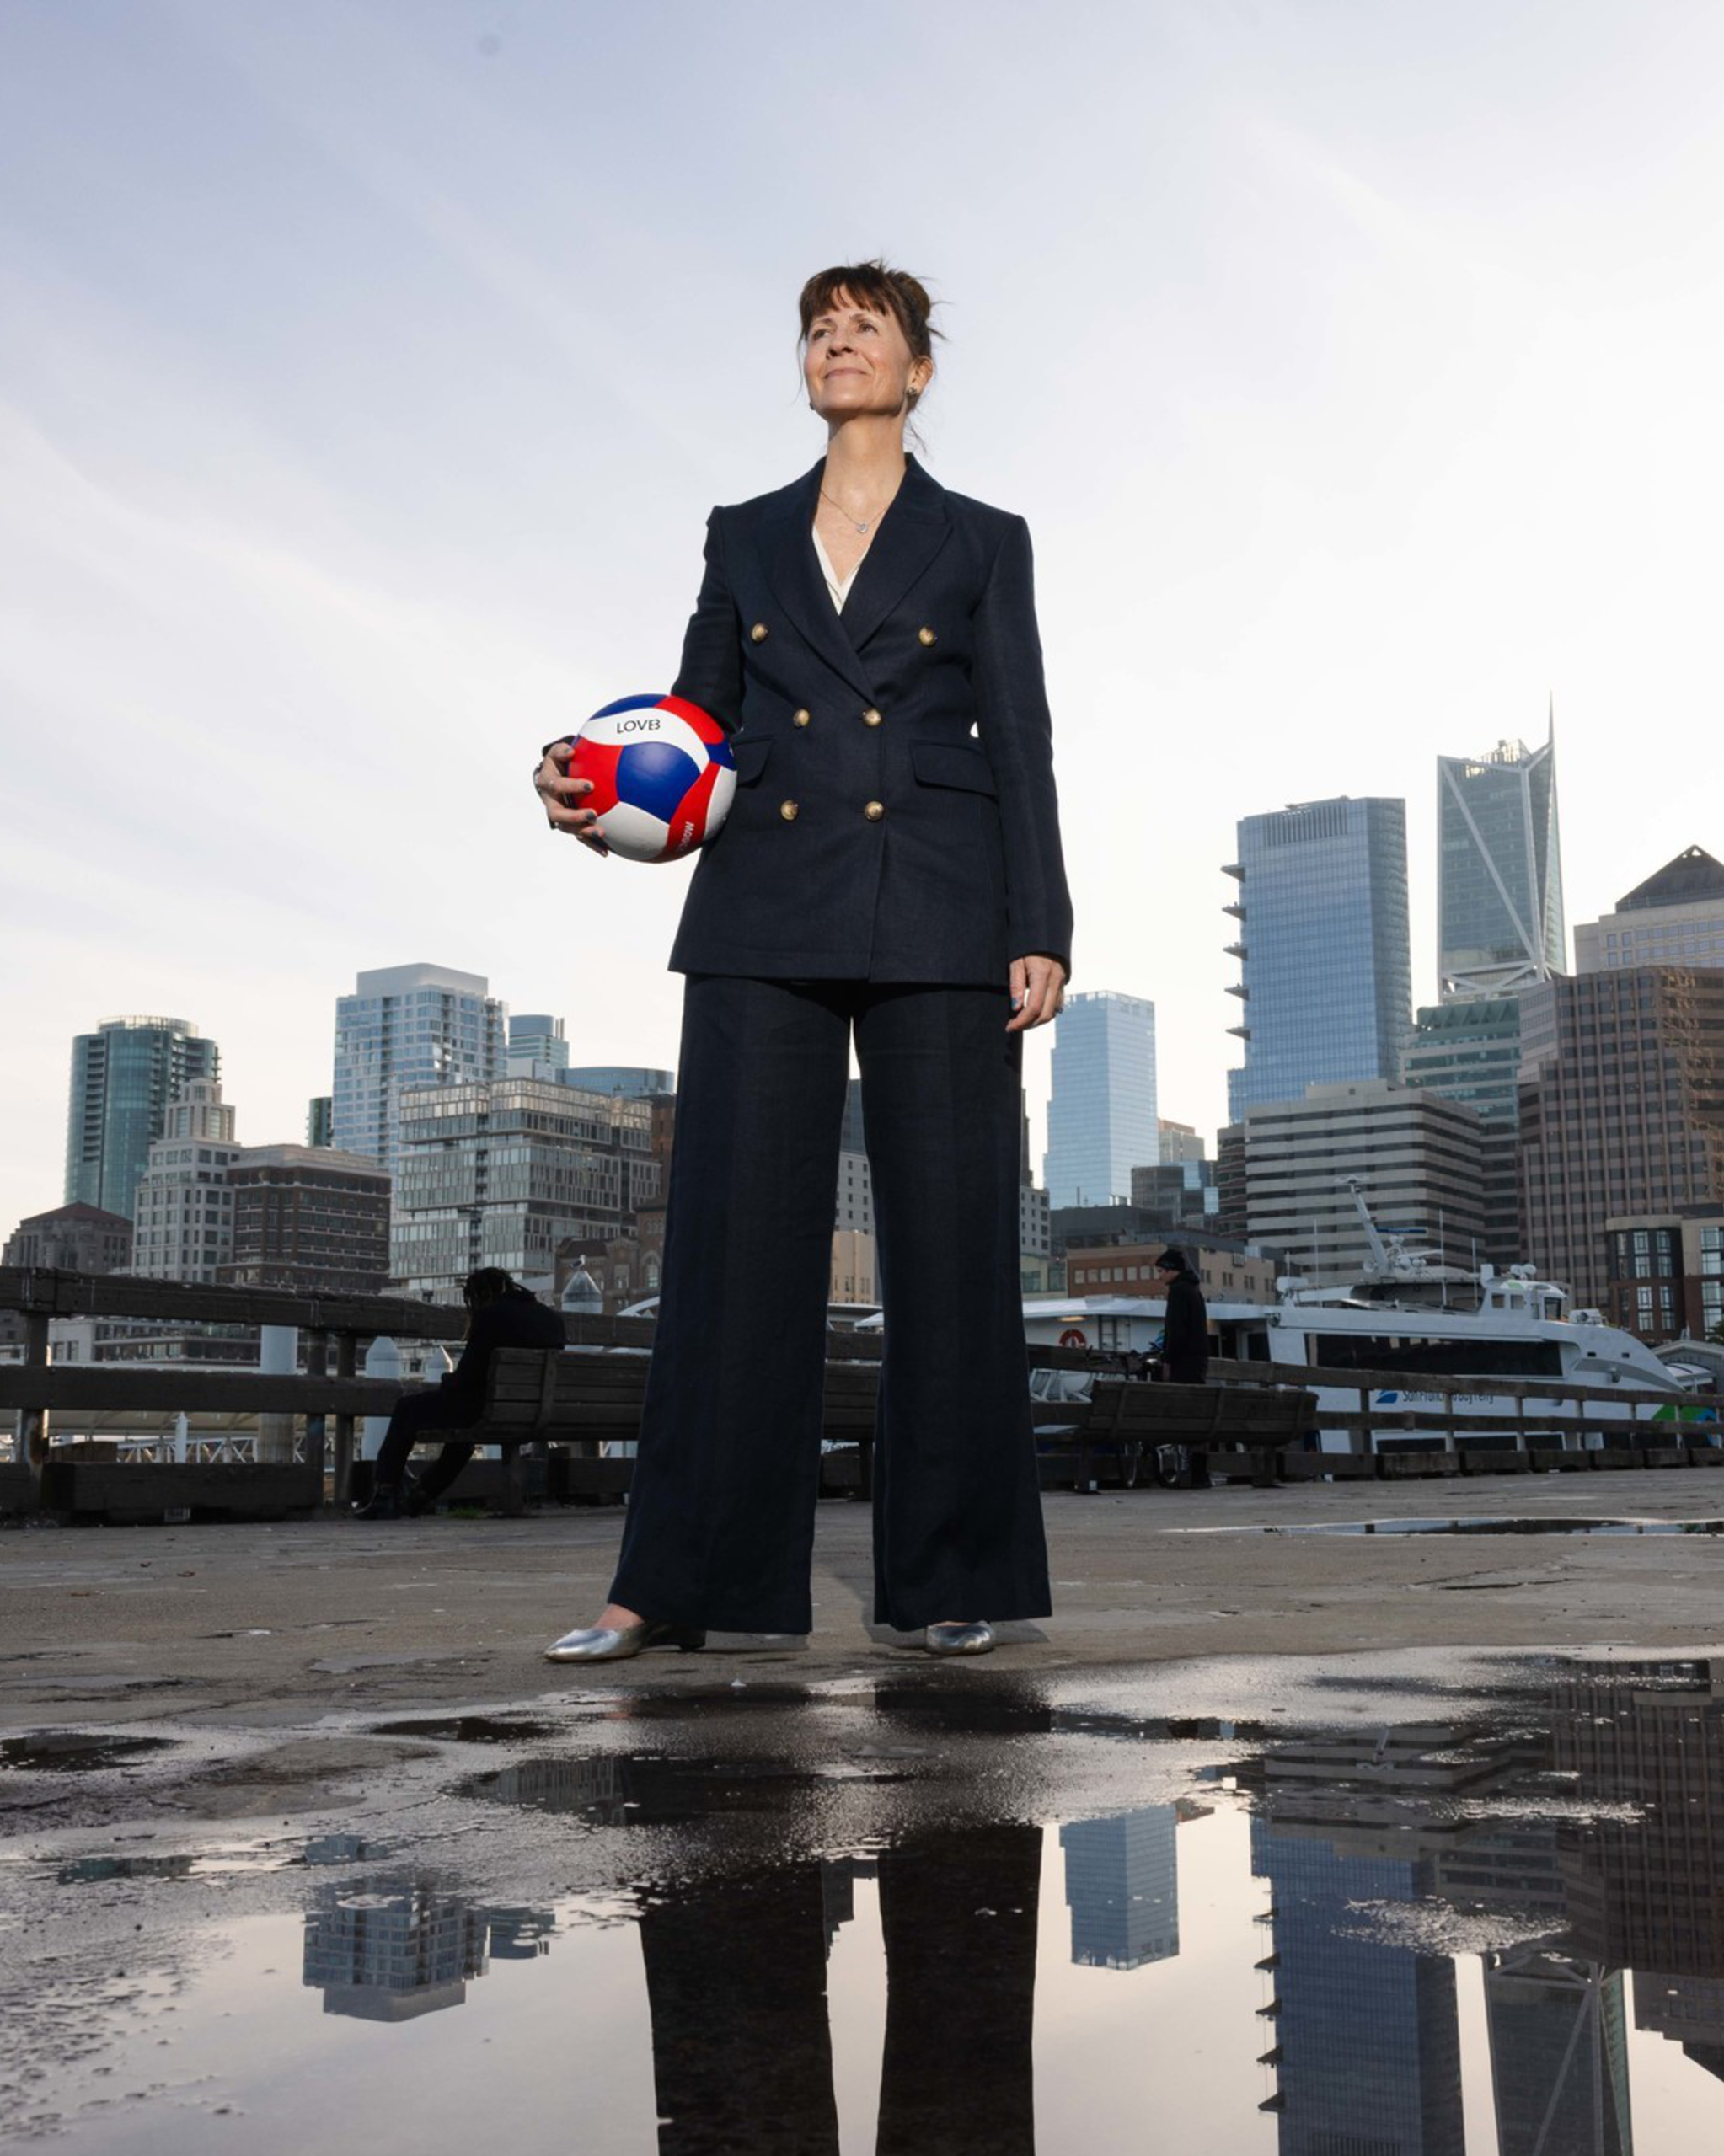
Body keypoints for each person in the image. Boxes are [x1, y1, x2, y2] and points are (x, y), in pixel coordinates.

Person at [534, 262, 1073, 1662]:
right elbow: (695, 722)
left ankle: (947, 1577)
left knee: (953, 1251)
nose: (838, 340)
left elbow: (1020, 735)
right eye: (818, 327)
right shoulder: (744, 531)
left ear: (918, 367)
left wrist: (1043, 922)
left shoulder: (983, 537)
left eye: (866, 325)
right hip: (764, 897)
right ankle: (668, 1586)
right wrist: (592, 787)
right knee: (725, 1250)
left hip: (947, 904)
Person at [356, 1267, 565, 1518]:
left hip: (487, 1408)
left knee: (406, 1408)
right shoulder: (552, 1320)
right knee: (463, 1434)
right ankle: (419, 1495)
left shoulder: (490, 1316)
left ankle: (385, 1495)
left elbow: (467, 1377)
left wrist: (447, 1381)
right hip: (536, 1411)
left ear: (479, 1296)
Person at [1154, 1247, 1208, 1385]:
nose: (1159, 1276)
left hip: (1183, 1362)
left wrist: (1167, 1361)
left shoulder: (1178, 1291)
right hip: (1197, 1360)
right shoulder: (1193, 1289)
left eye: (1160, 1271)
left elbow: (1176, 1329)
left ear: (1170, 1269)